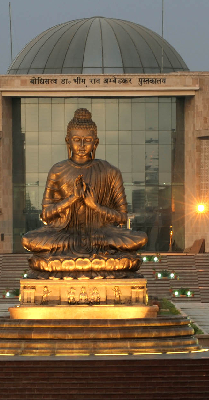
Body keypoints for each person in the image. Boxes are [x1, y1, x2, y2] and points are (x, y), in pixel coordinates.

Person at [22, 108, 148, 275]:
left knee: (139, 239)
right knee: (28, 240)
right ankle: (97, 261)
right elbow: (46, 215)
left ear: (95, 143)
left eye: (87, 140)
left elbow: (122, 217)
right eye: (76, 140)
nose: (81, 146)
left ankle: (71, 261)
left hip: (102, 235)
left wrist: (95, 206)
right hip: (64, 235)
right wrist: (72, 199)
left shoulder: (110, 171)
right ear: (68, 141)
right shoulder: (57, 170)